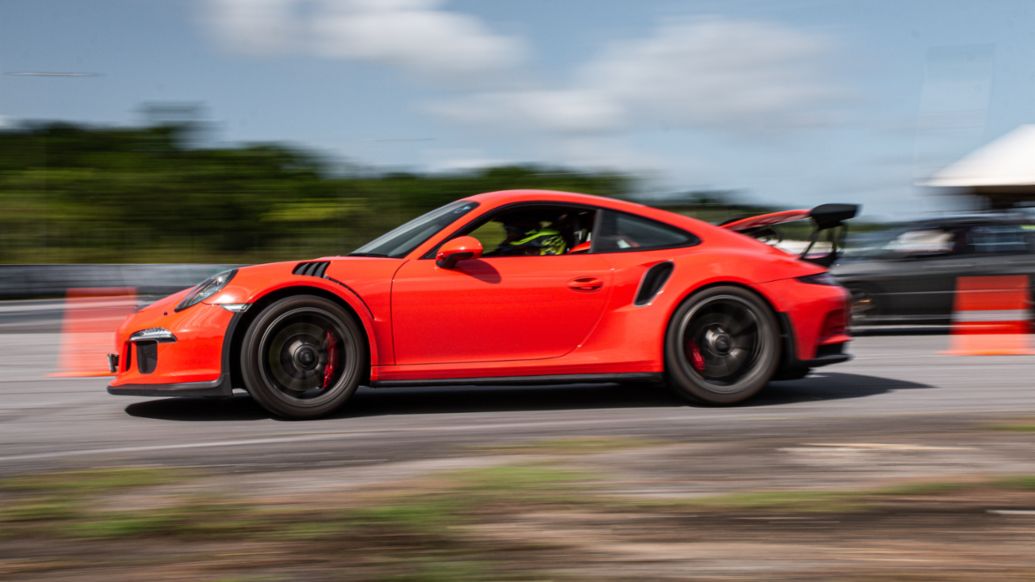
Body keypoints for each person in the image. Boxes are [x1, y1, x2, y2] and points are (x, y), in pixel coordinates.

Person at [495, 214, 567, 256]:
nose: (507, 233)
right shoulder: (510, 243)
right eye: (506, 229)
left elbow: (557, 250)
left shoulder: (545, 236)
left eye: (509, 230)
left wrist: (538, 251)